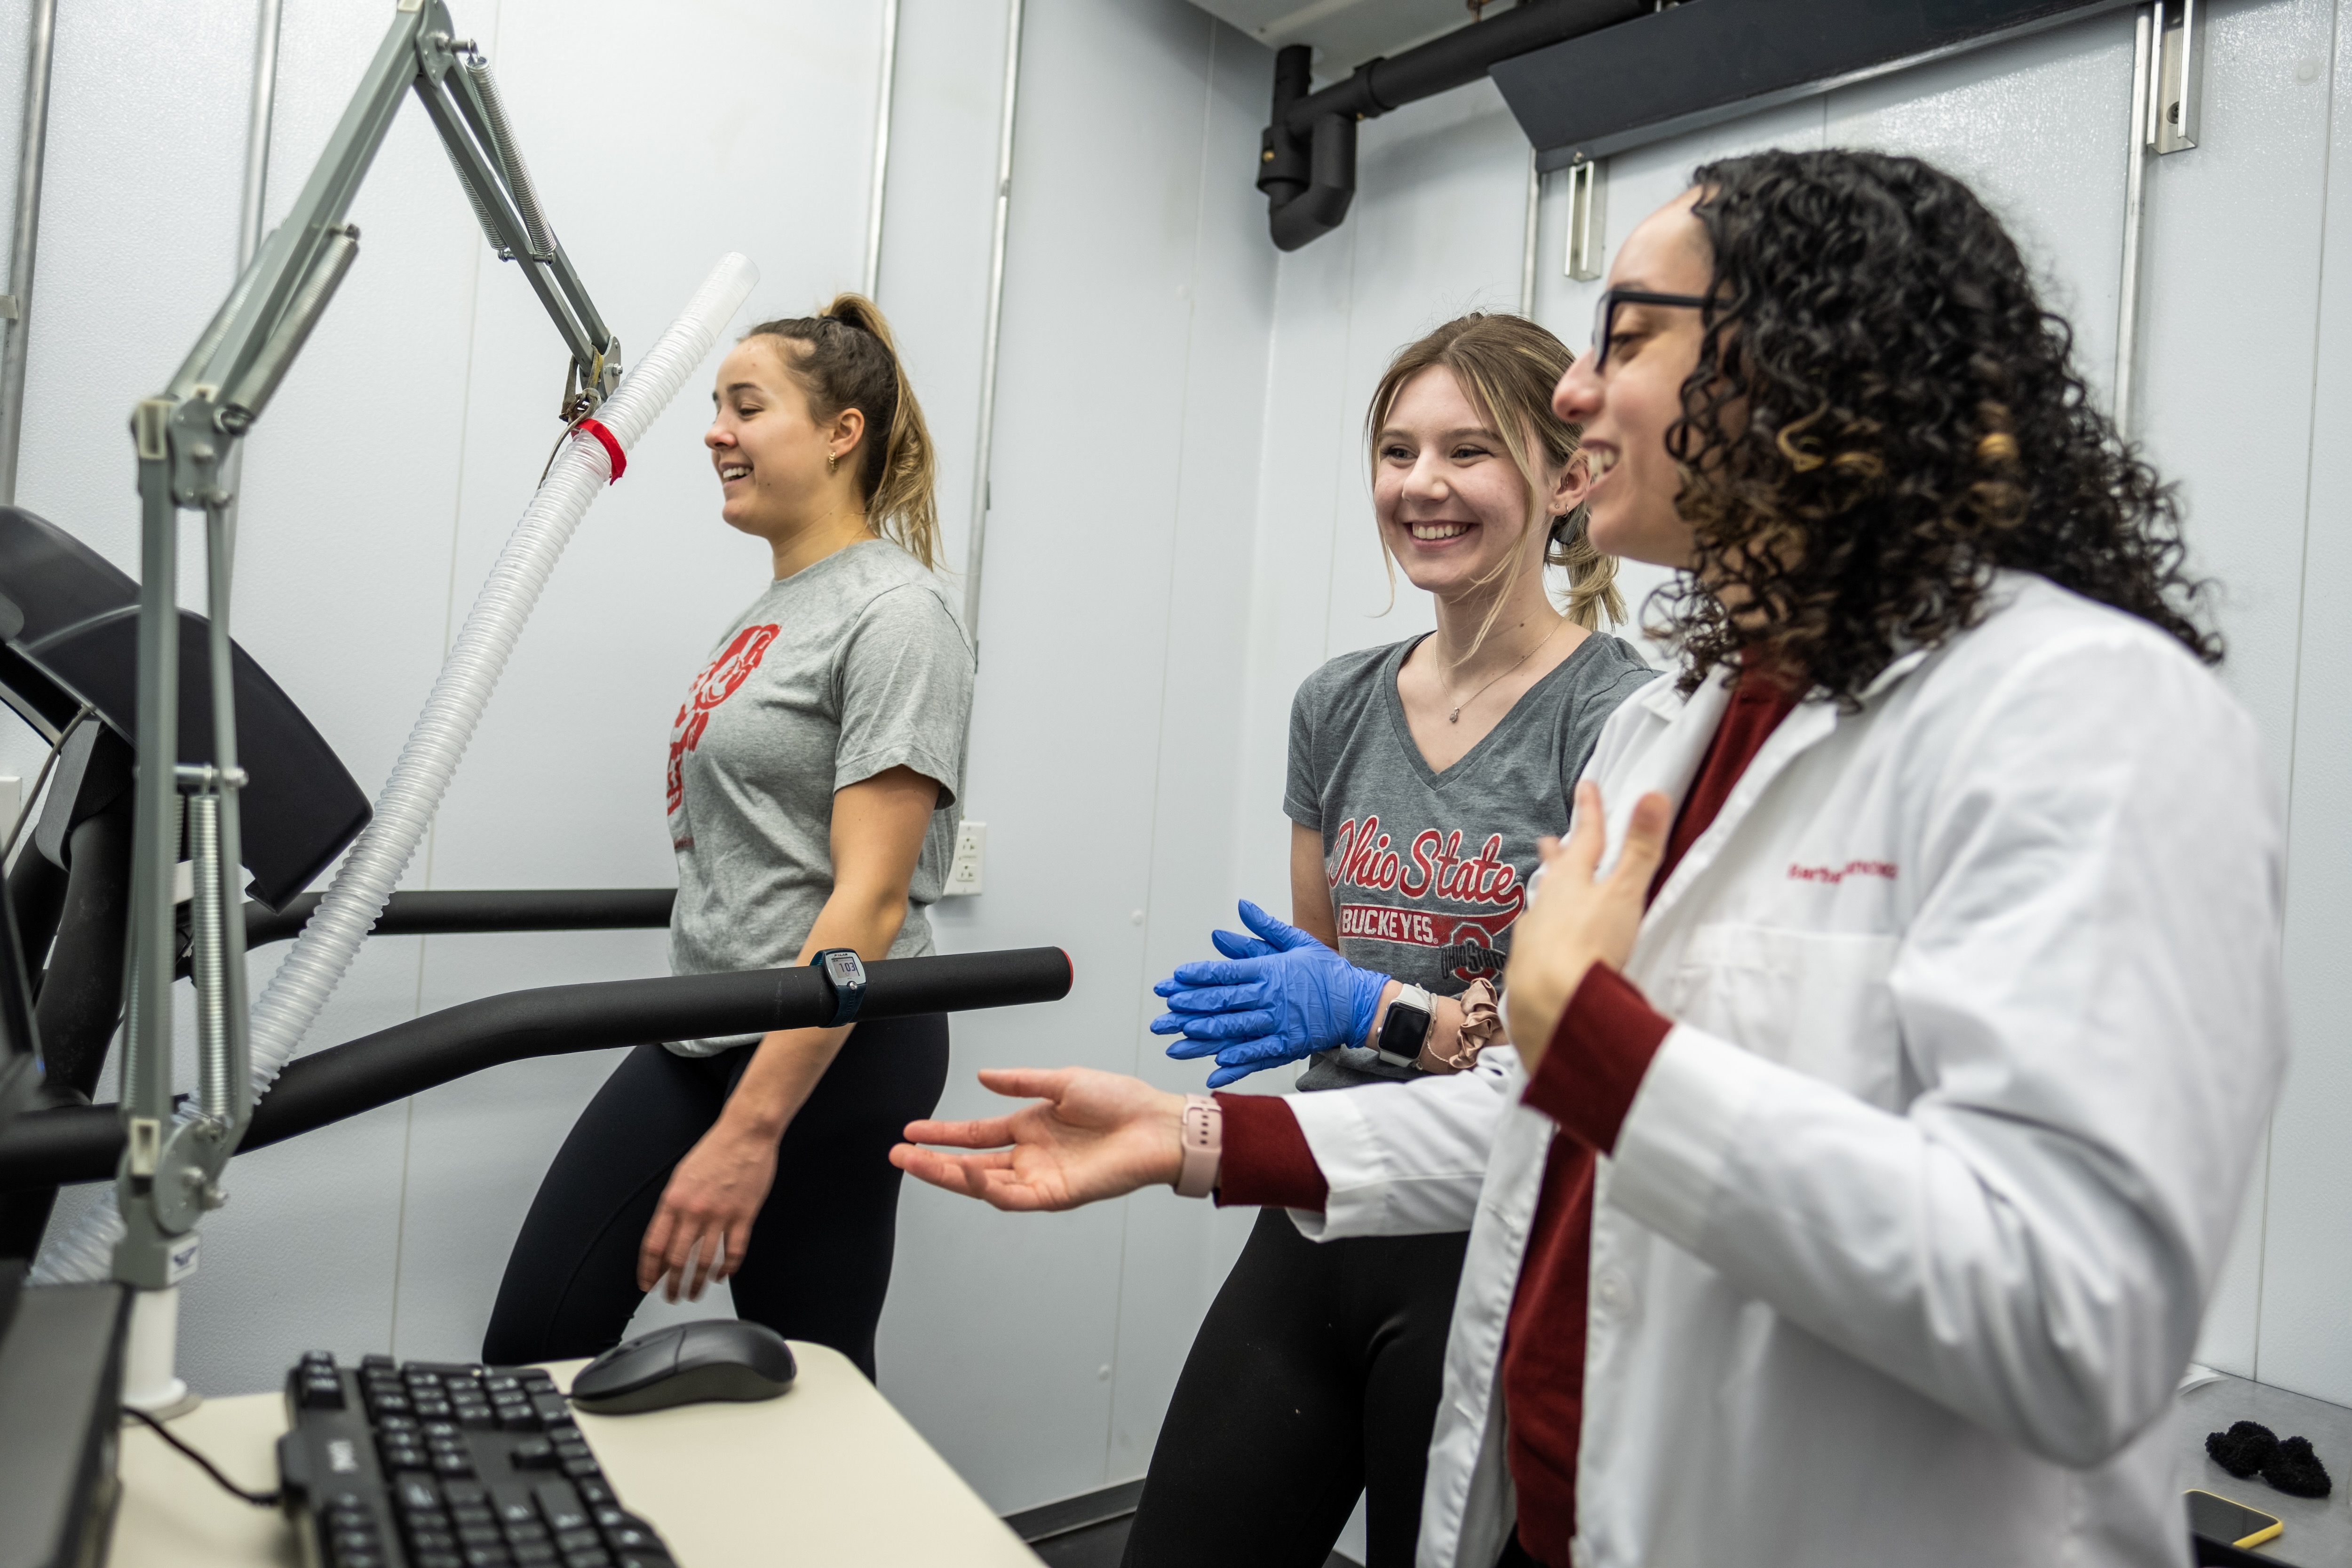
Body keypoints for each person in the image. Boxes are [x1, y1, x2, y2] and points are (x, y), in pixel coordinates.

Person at [891, 150, 2287, 1568]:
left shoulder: (2083, 710)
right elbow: (1539, 1113)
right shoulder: (1675, 731)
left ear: (1799, 358)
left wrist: (1598, 1043)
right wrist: (1195, 1136)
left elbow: (2077, 1320)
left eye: (1625, 338)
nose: (1572, 393)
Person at [1124, 313, 1655, 1568]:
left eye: (1470, 451)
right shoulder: (1338, 702)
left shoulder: (1617, 713)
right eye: (1399, 450)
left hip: (1492, 1233)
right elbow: (1321, 950)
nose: (1423, 484)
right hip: (1325, 1179)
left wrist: (1373, 1009)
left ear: (1567, 475)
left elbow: (1566, 1032)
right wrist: (1316, 1000)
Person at [485, 295, 972, 1381]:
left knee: (813, 1374)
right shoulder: (772, 611)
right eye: (715, 407)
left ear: (842, 430)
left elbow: (872, 902)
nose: (715, 431)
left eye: (745, 406)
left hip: (835, 1040)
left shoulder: (898, 615)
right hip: (709, 1019)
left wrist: (752, 1130)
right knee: (534, 1340)